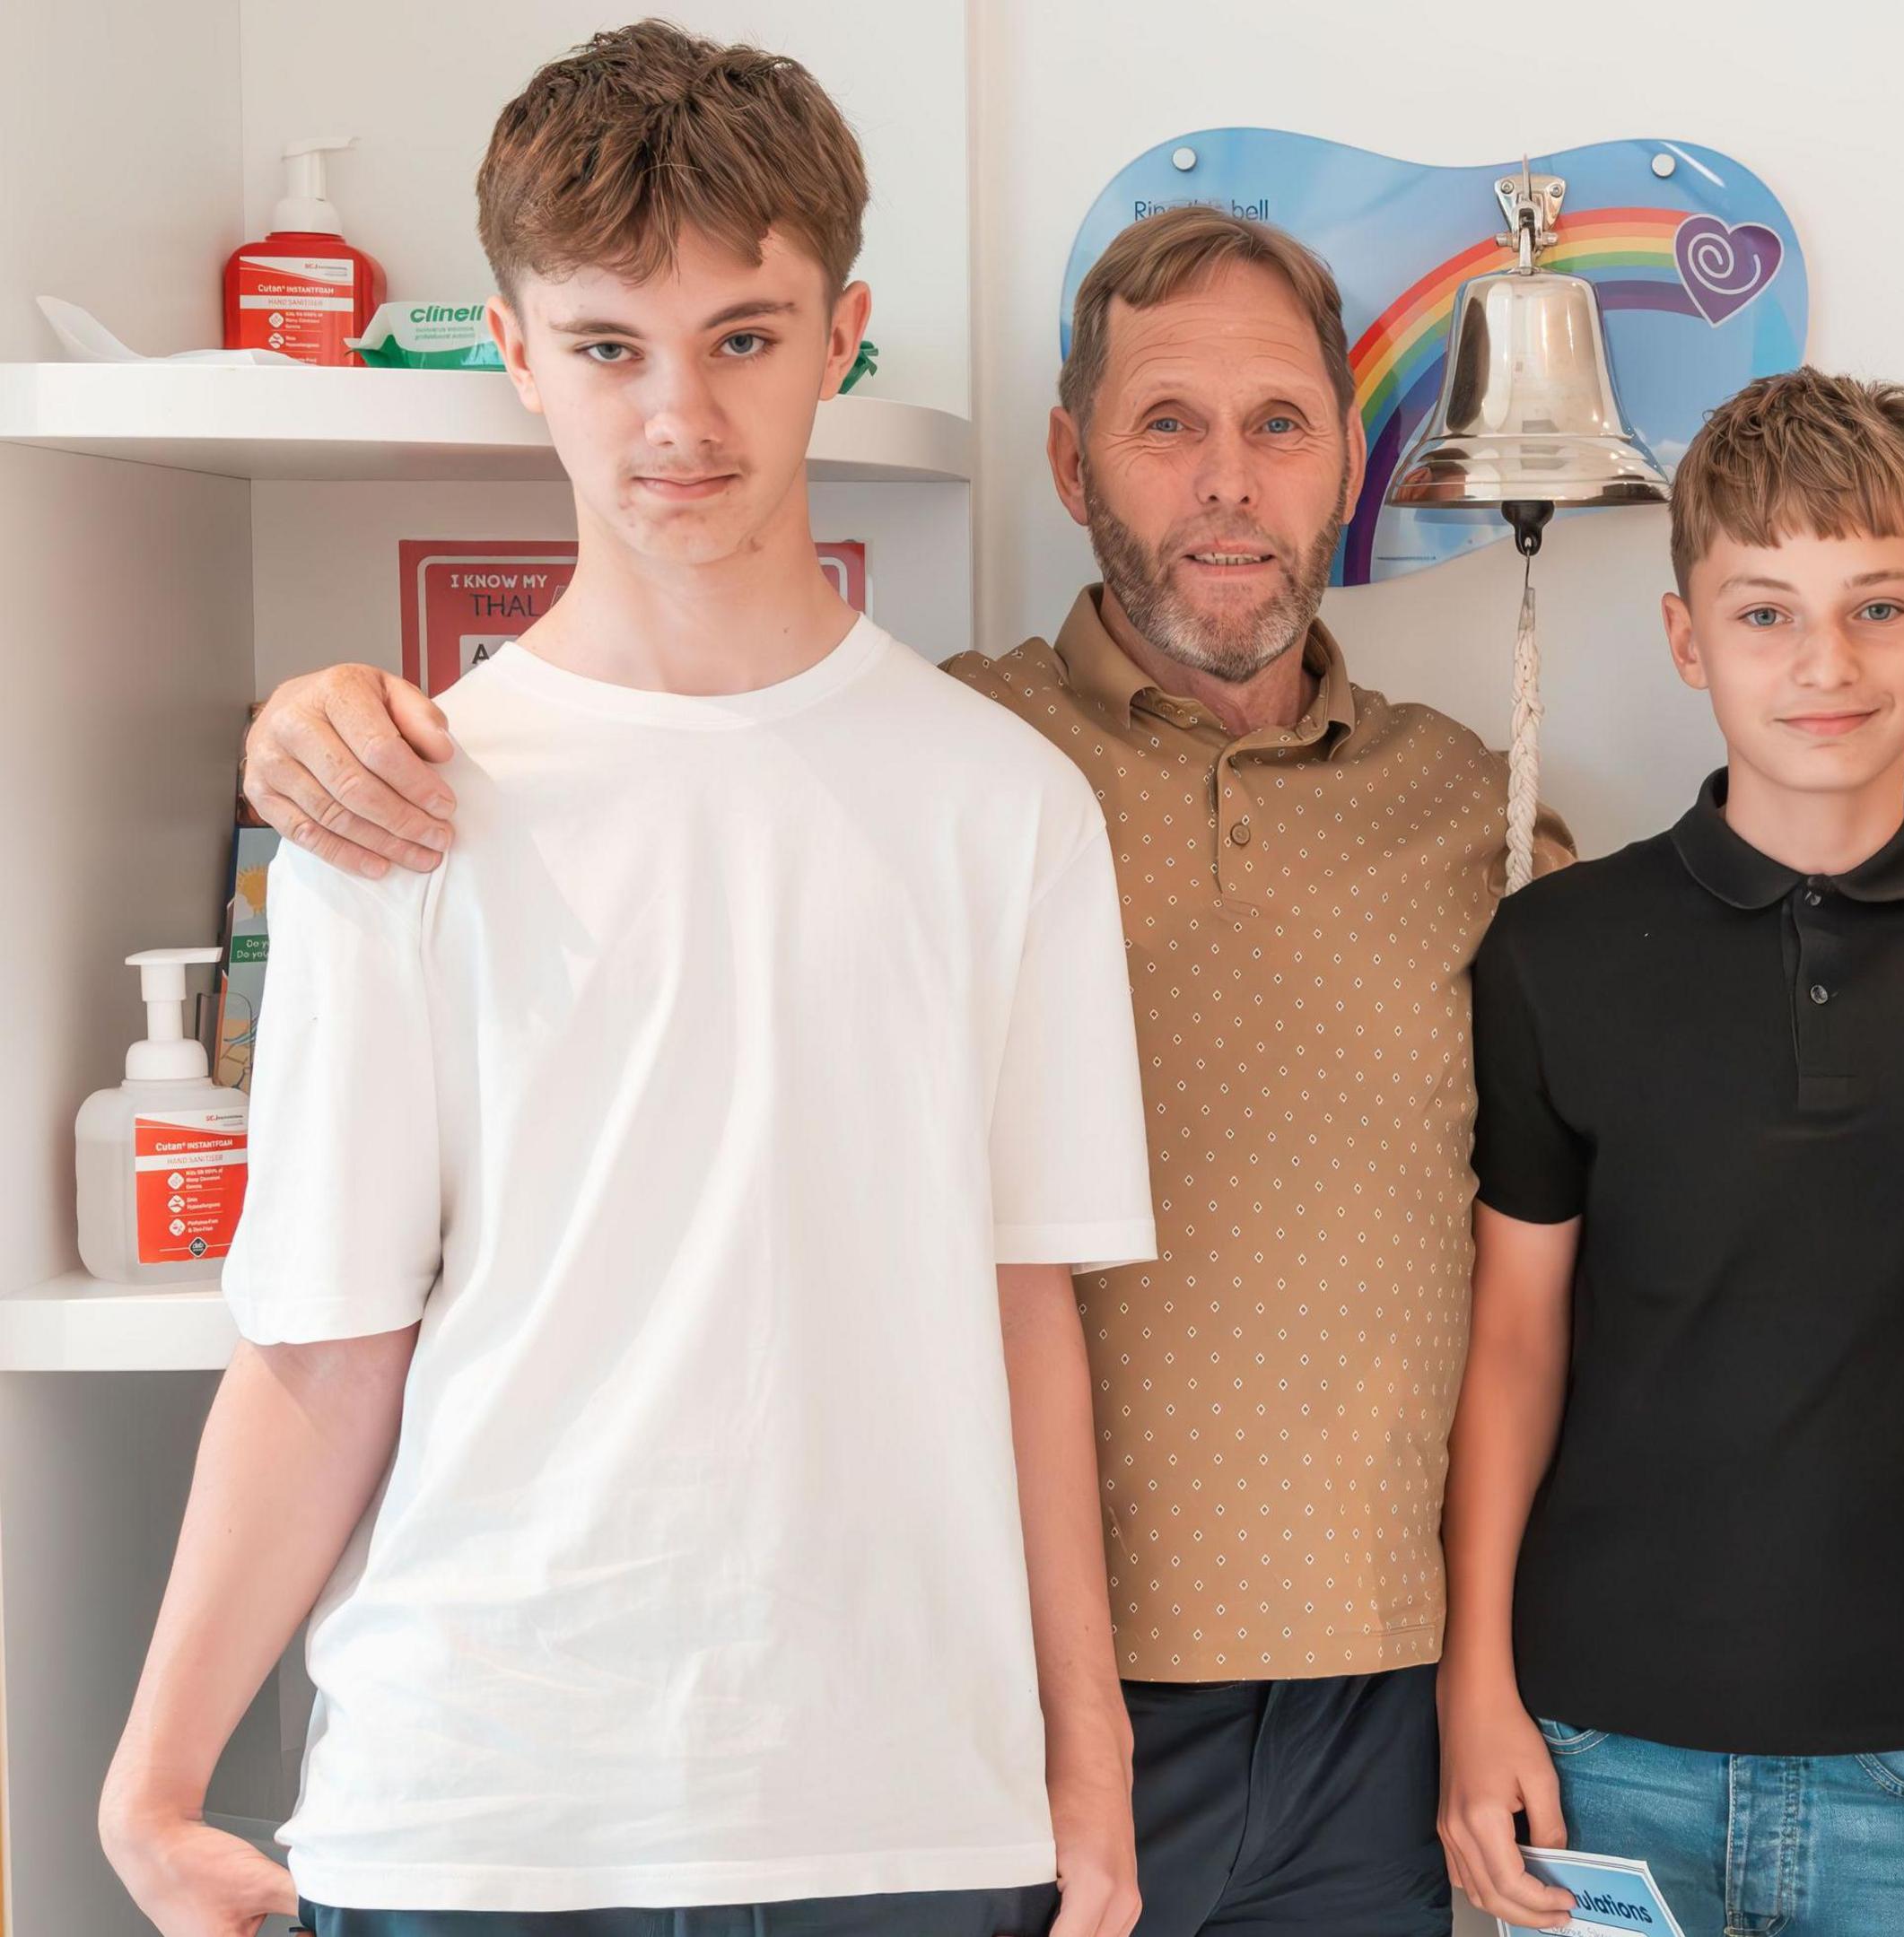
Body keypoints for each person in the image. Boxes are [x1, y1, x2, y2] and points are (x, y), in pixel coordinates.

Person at [234, 201, 1904, 1936]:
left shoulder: (1483, 824)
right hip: (1016, 1700)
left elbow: (1645, 1194)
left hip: (1390, 1708)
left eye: (1276, 427)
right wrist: (318, 724)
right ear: (1073, 460)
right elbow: (668, 754)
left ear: (1350, 466)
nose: (1227, 485)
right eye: (1167, 426)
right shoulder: (928, 765)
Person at [97, 24, 1152, 1937]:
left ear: (843, 334)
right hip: (471, 1813)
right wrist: (154, 1781)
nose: (679, 417)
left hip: (904, 1816)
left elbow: (1029, 1322)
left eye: (742, 337)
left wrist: (1086, 1780)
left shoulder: (1008, 807)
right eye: (607, 346)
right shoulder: (391, 811)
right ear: (513, 354)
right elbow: (322, 1346)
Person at [1437, 371, 1904, 1937]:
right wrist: (1478, 1687)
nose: (1825, 664)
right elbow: (1516, 1342)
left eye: (1877, 608)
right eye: (1764, 615)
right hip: (1607, 1746)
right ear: (1687, 640)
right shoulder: (1557, 950)